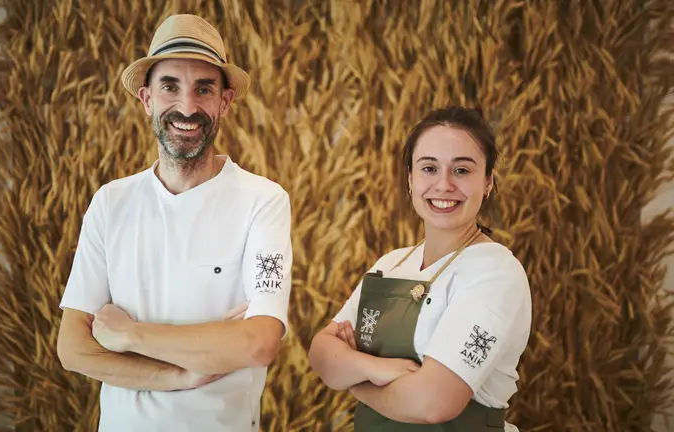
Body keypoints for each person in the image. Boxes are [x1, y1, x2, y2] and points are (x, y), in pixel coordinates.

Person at [56, 14, 292, 432]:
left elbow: (258, 343)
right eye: (171, 87)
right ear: (147, 99)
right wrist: (181, 374)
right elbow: (74, 349)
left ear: (225, 102)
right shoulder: (111, 203)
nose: (187, 107)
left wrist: (129, 335)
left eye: (204, 89)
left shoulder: (263, 201)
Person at [308, 106, 532, 431]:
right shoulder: (392, 263)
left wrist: (355, 381)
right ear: (411, 179)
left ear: (487, 182)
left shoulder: (495, 273)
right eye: (429, 168)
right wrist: (376, 368)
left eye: (462, 171)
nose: (443, 185)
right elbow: (320, 354)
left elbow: (434, 402)